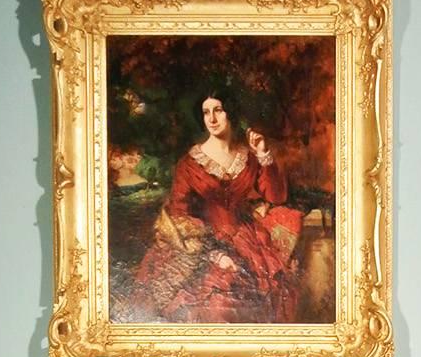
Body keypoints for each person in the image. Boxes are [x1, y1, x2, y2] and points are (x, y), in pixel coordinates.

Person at [130, 89, 303, 323]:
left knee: (258, 300)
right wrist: (213, 252)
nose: (211, 119)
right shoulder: (190, 164)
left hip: (248, 241)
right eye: (206, 112)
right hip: (202, 243)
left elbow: (276, 196)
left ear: (230, 113)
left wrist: (263, 153)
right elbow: (180, 214)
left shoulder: (249, 157)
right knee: (216, 304)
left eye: (218, 110)